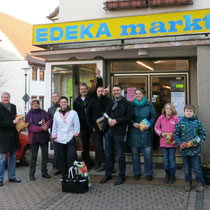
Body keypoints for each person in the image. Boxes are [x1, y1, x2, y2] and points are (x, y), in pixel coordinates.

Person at [100, 85, 133, 185]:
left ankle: (121, 175)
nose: (116, 92)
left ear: (121, 92)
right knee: (108, 154)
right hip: (108, 132)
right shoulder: (110, 102)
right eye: (114, 90)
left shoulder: (127, 103)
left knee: (120, 155)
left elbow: (129, 116)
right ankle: (108, 174)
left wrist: (117, 121)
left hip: (119, 132)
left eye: (118, 90)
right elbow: (100, 106)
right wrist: (103, 95)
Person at [73, 67, 102, 167]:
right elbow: (75, 116)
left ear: (87, 89)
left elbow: (99, 86)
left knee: (98, 144)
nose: (83, 90)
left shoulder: (91, 97)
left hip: (93, 125)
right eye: (82, 89)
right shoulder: (76, 102)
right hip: (83, 127)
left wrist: (98, 76)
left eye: (85, 89)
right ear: (79, 90)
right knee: (85, 146)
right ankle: (87, 163)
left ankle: (98, 162)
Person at [174, 104, 206, 192]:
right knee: (187, 168)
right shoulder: (180, 123)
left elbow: (203, 134)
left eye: (190, 111)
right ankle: (188, 183)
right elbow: (176, 134)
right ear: (184, 112)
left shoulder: (197, 123)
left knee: (196, 168)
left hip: (195, 151)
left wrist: (197, 142)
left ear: (193, 113)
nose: (188, 113)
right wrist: (180, 143)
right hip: (184, 150)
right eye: (187, 111)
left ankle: (201, 184)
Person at [127, 89, 156, 181]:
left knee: (147, 155)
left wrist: (149, 125)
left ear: (143, 95)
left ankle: (149, 173)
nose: (138, 95)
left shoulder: (149, 105)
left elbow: (154, 116)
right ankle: (137, 172)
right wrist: (132, 123)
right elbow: (127, 117)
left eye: (140, 94)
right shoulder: (131, 105)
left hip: (146, 134)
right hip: (134, 134)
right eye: (136, 94)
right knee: (135, 156)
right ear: (134, 95)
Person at [52, 96, 80, 178]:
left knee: (71, 157)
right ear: (59, 104)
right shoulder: (57, 114)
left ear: (67, 103)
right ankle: (64, 174)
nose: (63, 103)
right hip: (60, 139)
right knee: (62, 157)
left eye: (65, 102)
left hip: (70, 137)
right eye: (62, 102)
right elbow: (55, 126)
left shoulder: (73, 113)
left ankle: (72, 174)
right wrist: (54, 137)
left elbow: (77, 125)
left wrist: (75, 135)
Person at [26, 99, 52, 180]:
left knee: (45, 156)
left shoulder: (43, 112)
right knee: (33, 157)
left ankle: (44, 172)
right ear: (31, 105)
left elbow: (49, 120)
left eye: (37, 103)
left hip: (44, 137)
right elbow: (30, 126)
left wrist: (47, 126)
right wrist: (41, 128)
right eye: (33, 103)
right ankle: (31, 174)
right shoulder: (29, 114)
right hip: (34, 139)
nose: (35, 104)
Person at [87, 86, 111, 172]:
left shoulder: (108, 101)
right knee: (98, 146)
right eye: (99, 91)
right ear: (96, 92)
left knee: (108, 146)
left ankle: (107, 163)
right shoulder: (92, 102)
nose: (100, 92)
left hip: (107, 127)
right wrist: (91, 127)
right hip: (96, 128)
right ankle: (100, 162)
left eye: (102, 91)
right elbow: (88, 115)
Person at [0, 92, 21, 186]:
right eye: (4, 97)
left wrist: (19, 123)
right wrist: (12, 122)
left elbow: (15, 119)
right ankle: (0, 179)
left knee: (13, 157)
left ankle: (12, 177)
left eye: (7, 97)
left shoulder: (13, 106)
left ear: (9, 98)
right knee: (2, 159)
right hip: (3, 136)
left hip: (13, 135)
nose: (6, 99)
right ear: (1, 98)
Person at [155, 103, 179, 184]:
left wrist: (175, 139)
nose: (169, 110)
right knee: (166, 159)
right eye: (167, 108)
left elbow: (178, 130)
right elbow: (156, 128)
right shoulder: (161, 118)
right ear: (164, 110)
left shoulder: (175, 119)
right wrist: (161, 133)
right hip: (164, 142)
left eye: (170, 109)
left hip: (172, 143)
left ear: (173, 110)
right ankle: (167, 174)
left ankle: (172, 174)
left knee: (172, 159)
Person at [48, 92, 62, 175]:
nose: (55, 98)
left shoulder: (63, 106)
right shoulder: (50, 109)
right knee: (56, 151)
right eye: (53, 97)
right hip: (55, 133)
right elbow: (48, 122)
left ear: (59, 97)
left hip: (64, 132)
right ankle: (57, 168)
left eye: (56, 96)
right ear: (52, 99)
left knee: (63, 150)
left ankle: (63, 167)